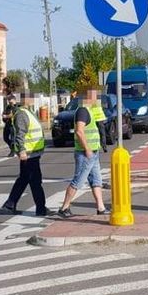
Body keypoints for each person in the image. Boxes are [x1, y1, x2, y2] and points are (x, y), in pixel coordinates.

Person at [57, 86, 108, 217]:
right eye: (94, 96)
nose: (97, 99)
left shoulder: (89, 110)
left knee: (96, 180)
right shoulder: (83, 111)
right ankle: (64, 207)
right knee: (78, 181)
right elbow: (79, 131)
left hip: (93, 152)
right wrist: (87, 149)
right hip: (85, 153)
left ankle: (101, 208)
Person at [1, 92, 48, 216]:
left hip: (32, 152)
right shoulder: (22, 113)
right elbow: (20, 134)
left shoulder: (27, 111)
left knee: (24, 178)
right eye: (31, 98)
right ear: (25, 99)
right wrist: (21, 150)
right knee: (35, 181)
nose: (33, 100)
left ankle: (10, 204)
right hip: (28, 153)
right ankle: (41, 209)